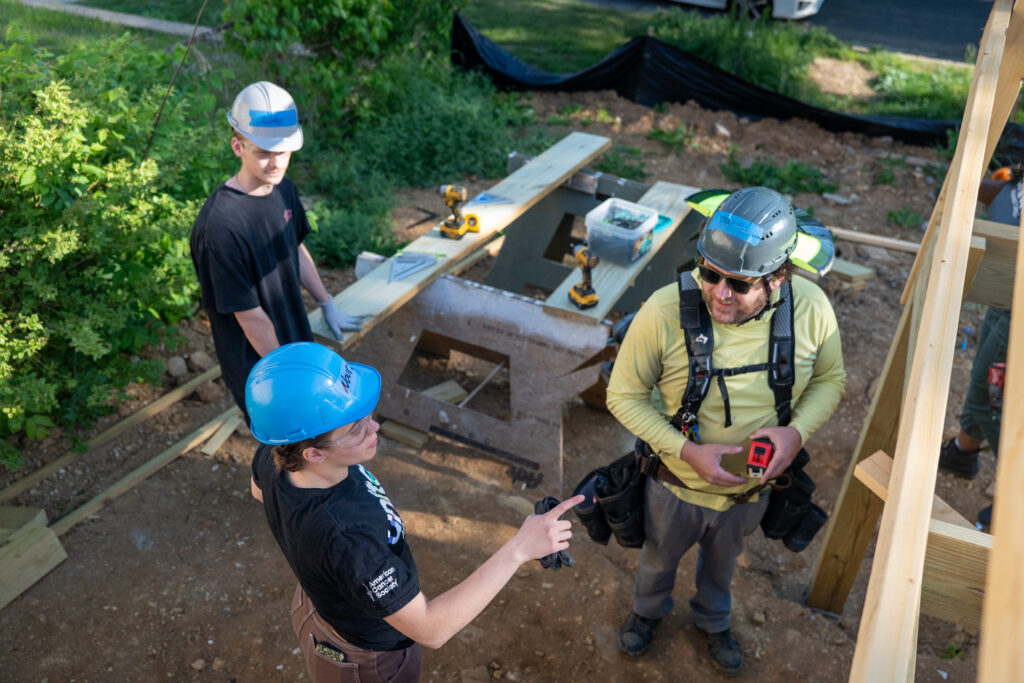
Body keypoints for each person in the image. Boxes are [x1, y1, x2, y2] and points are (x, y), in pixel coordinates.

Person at [606, 187, 846, 674]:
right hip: (674, 485)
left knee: (723, 564)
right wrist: (683, 451)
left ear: (777, 278)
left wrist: (795, 433)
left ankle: (713, 620)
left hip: (749, 492)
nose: (718, 292)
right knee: (657, 560)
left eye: (738, 284)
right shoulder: (663, 311)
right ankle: (647, 612)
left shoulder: (812, 310)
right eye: (709, 273)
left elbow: (829, 378)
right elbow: (622, 395)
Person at [245, 341, 583, 682]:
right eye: (355, 428)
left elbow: (259, 491)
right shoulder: (350, 543)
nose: (374, 427)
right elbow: (431, 628)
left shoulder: (278, 452)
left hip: (319, 607)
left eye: (365, 415)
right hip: (366, 658)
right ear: (314, 454)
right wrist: (519, 549)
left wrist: (316, 555)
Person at [190, 81, 362, 417]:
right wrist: (287, 375)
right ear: (238, 147)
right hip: (262, 372)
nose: (276, 163)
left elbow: (293, 249)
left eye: (283, 151)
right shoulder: (220, 227)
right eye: (263, 152)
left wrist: (326, 302)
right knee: (287, 458)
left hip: (293, 346)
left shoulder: (283, 189)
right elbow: (251, 319)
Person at [938, 168, 1015, 525]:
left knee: (992, 400)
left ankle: (1012, 505)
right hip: (1003, 297)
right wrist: (979, 186)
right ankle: (962, 453)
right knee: (981, 379)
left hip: (1018, 311)